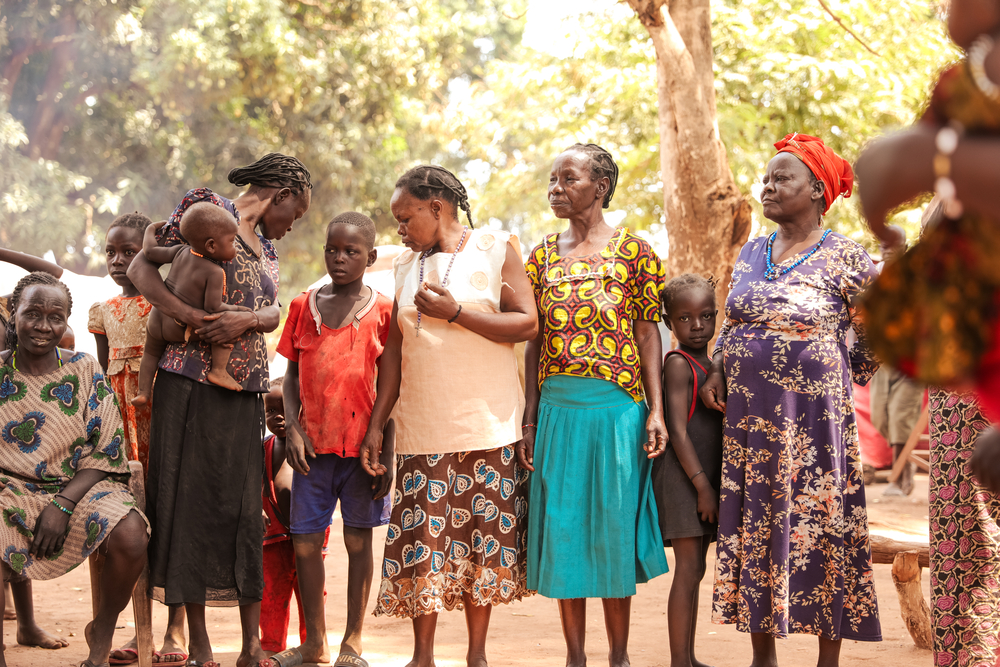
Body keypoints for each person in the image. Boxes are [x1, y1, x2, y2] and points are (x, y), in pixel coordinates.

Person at [700, 133, 882, 666]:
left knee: (824, 521)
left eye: (783, 178)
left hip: (817, 424)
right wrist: (717, 367)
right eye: (767, 177)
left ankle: (828, 658)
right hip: (753, 423)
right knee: (758, 520)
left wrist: (833, 371)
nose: (768, 186)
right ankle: (764, 656)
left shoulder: (847, 256)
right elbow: (732, 324)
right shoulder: (752, 250)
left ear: (818, 190)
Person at [126, 153, 312, 667]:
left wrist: (245, 321)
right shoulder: (206, 211)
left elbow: (273, 311)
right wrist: (194, 318)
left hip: (243, 390)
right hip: (188, 384)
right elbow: (144, 266)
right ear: (281, 193)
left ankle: (251, 644)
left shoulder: (268, 250)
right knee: (186, 504)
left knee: (239, 509)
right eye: (295, 212)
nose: (293, 224)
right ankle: (199, 640)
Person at [360, 165, 537, 667]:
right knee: (425, 538)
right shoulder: (402, 266)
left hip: (488, 424)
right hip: (422, 428)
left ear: (436, 207)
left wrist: (456, 313)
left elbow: (525, 323)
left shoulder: (496, 246)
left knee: (482, 540)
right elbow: (393, 354)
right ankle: (423, 657)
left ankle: (476, 655)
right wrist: (377, 424)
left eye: (405, 216)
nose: (399, 228)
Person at [519, 143, 669, 667]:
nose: (555, 188)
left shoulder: (637, 251)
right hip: (559, 410)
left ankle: (619, 657)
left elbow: (649, 335)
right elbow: (533, 343)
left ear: (599, 186)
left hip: (617, 412)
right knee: (564, 530)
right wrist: (530, 416)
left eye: (568, 179)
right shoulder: (538, 257)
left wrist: (656, 411)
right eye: (552, 179)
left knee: (610, 530)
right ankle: (575, 657)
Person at [0, 271, 150, 667]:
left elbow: (107, 447)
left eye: (55, 317)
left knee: (131, 535)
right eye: (33, 313)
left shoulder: (83, 369)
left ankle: (102, 630)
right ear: (13, 312)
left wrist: (63, 503)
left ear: (67, 320)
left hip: (80, 485)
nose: (43, 327)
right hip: (9, 489)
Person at [276, 212, 394, 667]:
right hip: (313, 450)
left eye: (352, 252)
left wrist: (388, 449)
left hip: (363, 451)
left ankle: (354, 640)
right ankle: (314, 644)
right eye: (332, 249)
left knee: (359, 542)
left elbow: (390, 386)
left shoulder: (383, 309)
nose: (339, 259)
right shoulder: (304, 305)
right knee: (305, 542)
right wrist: (294, 427)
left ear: (371, 257)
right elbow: (290, 376)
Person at [89, 212, 191, 666]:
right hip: (120, 430)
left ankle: (175, 630)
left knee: (169, 519)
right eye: (111, 252)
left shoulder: (166, 304)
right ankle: (136, 629)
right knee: (132, 526)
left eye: (129, 252)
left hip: (159, 420)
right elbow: (102, 376)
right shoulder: (103, 312)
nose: (118, 260)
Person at [0, 248, 76, 654]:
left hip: (24, 423)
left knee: (21, 484)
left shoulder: (16, 309)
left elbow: (52, 274)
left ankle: (27, 624)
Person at [651, 273, 723, 667]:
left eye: (706, 316)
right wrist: (702, 487)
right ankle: (680, 660)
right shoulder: (679, 364)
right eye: (685, 318)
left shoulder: (709, 363)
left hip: (700, 482)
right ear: (668, 322)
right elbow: (677, 431)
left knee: (696, 569)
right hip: (684, 481)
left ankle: (689, 657)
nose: (697, 326)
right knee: (689, 568)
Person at [131, 203, 244, 405]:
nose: (235, 246)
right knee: (224, 327)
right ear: (211, 245)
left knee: (150, 352)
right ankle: (218, 371)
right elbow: (213, 308)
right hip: (179, 327)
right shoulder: (215, 272)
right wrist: (238, 310)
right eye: (232, 241)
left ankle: (142, 392)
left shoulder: (179, 251)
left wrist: (150, 230)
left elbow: (149, 252)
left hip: (157, 318)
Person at [259, 377, 331, 656]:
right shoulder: (262, 448)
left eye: (285, 410)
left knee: (311, 592)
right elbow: (253, 482)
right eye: (270, 411)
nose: (277, 417)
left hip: (309, 535)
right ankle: (271, 645)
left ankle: (315, 642)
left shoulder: (314, 447)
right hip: (272, 536)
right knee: (271, 593)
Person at [866, 225, 925, 497]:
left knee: (902, 414)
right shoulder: (873, 275)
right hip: (882, 359)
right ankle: (905, 469)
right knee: (880, 415)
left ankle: (899, 478)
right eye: (883, 243)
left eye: (893, 243)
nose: (887, 247)